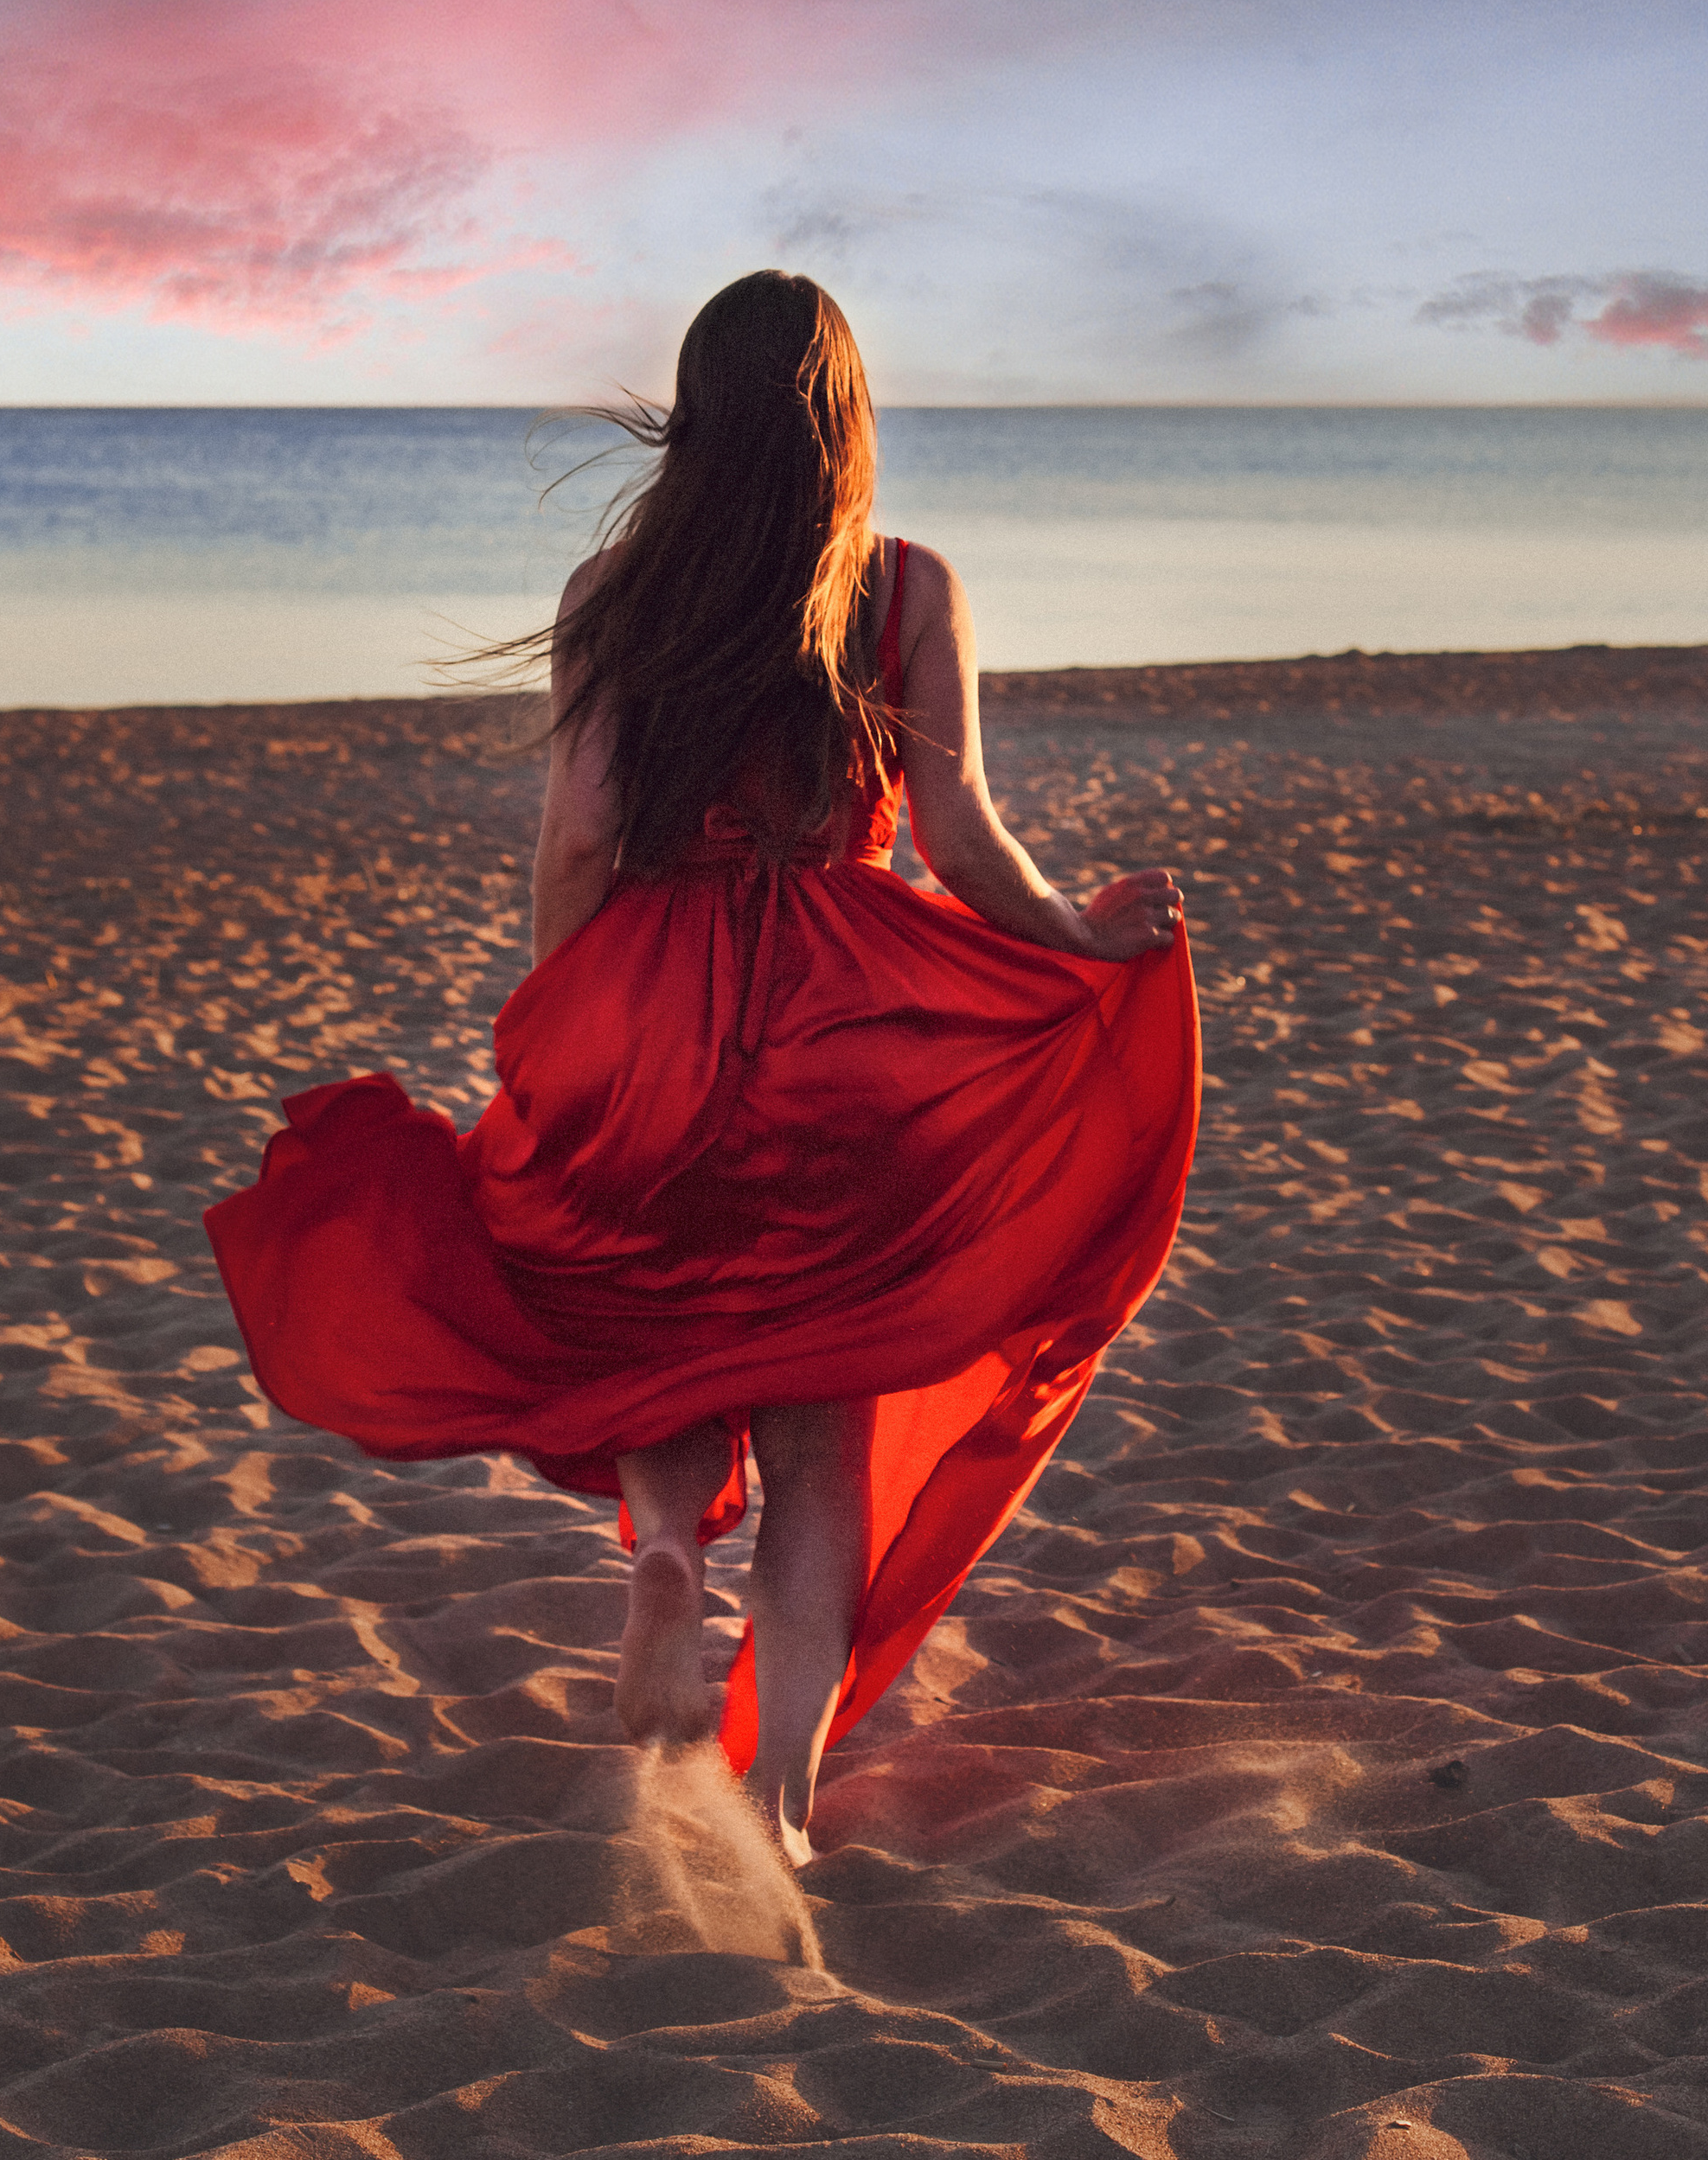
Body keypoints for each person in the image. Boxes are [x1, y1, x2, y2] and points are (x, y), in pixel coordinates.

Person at [205, 272, 1199, 1865]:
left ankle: (664, 1544)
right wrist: (1081, 935)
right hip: (850, 1028)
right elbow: (962, 845)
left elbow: (583, 834)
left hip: (651, 1011)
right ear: (844, 424)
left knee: (656, 1324)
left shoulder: (616, 592)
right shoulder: (906, 586)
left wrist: (558, 1031)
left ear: (694, 416)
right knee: (819, 1440)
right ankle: (785, 1799)